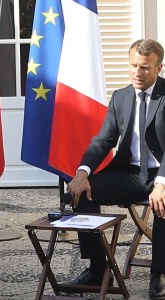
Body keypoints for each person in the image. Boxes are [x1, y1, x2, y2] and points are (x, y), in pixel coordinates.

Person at [61, 39, 165, 300]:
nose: (137, 73)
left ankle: (159, 273)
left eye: (144, 67)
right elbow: (103, 140)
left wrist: (162, 182)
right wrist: (83, 172)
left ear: (158, 68)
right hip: (130, 173)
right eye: (133, 65)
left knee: (164, 201)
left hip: (162, 173)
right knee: (80, 193)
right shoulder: (121, 97)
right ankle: (98, 268)